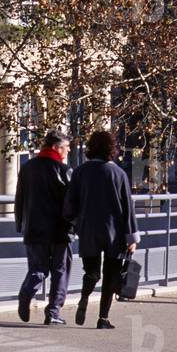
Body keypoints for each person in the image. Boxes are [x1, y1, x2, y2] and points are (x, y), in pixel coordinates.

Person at [64, 130, 140, 330]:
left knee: (92, 272)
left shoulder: (80, 172)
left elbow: (69, 205)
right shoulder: (118, 174)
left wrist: (77, 222)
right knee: (111, 275)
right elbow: (128, 207)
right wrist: (131, 237)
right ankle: (103, 318)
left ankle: (84, 296)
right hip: (114, 231)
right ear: (111, 149)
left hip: (88, 229)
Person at [15, 130, 73, 325]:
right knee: (60, 270)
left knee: (38, 269)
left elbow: (20, 198)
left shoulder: (27, 168)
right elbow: (70, 203)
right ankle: (53, 312)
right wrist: (74, 226)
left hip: (33, 228)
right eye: (66, 147)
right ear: (56, 148)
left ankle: (26, 293)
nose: (69, 150)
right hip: (59, 230)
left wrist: (20, 223)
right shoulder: (63, 170)